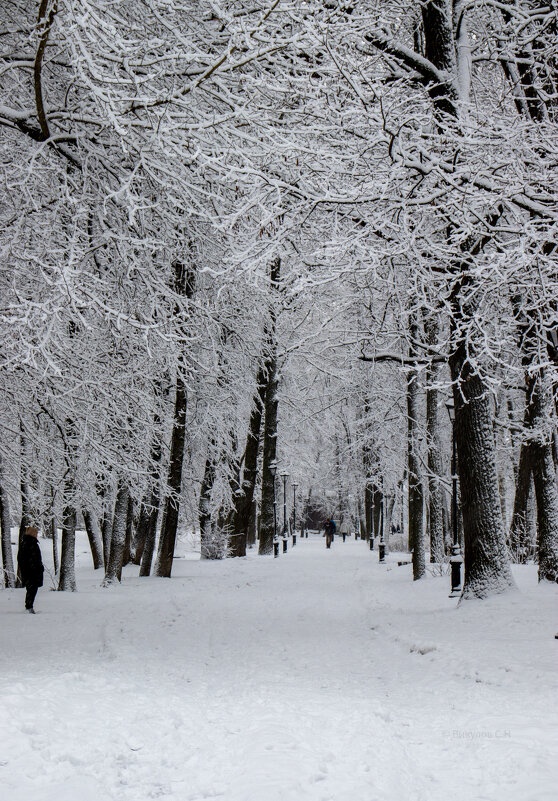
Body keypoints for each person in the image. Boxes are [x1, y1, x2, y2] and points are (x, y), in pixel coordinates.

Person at [17, 525, 44, 614]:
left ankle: (29, 606)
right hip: (32, 572)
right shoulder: (30, 544)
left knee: (32, 589)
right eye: (36, 533)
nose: (37, 534)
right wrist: (34, 567)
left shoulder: (26, 543)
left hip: (30, 571)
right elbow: (29, 558)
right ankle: (29, 607)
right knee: (32, 589)